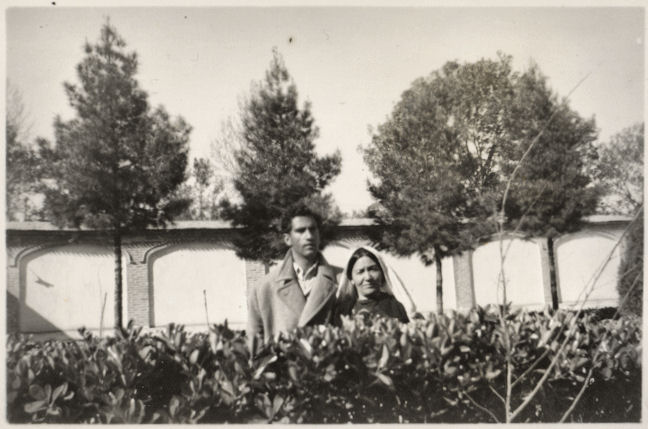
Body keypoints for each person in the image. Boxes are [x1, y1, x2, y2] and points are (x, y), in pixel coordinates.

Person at [246, 206, 342, 354]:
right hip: (285, 372)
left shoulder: (341, 279)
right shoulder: (264, 288)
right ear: (287, 239)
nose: (309, 236)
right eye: (301, 230)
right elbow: (255, 347)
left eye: (313, 229)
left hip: (328, 369)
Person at [335, 246, 410, 323]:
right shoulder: (343, 311)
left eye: (373, 269)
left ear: (382, 272)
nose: (368, 277)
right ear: (351, 278)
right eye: (360, 272)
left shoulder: (397, 307)